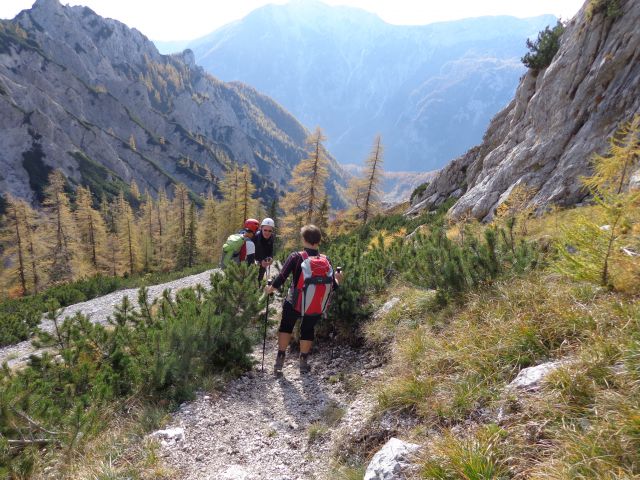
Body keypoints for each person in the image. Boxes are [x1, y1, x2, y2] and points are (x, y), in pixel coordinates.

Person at [265, 224, 343, 375]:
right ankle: (303, 363)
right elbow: (333, 286)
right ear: (318, 241)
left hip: (295, 302)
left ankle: (280, 359)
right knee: (308, 330)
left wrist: (270, 289)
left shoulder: (296, 257)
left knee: (286, 327)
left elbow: (281, 277)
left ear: (304, 239)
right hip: (314, 305)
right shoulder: (326, 260)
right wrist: (339, 279)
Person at [254, 218, 276, 283]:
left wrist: (271, 258)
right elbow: (254, 253)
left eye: (270, 231)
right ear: (261, 229)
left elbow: (271, 250)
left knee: (260, 279)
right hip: (254, 261)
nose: (267, 233)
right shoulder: (256, 237)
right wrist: (260, 261)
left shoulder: (271, 237)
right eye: (265, 230)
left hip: (264, 261)